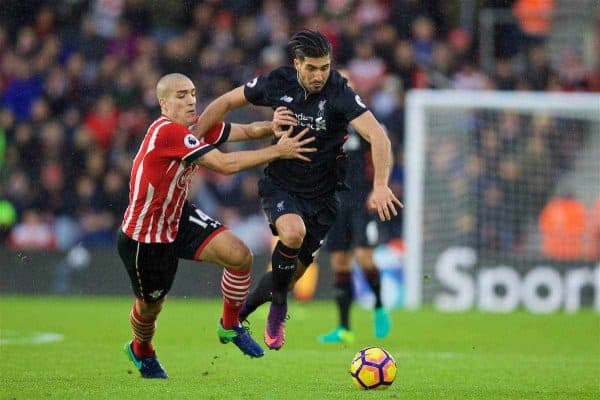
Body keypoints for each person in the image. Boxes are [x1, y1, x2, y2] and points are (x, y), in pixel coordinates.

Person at [194, 30, 402, 351]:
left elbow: (380, 137)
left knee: (287, 277)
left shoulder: (340, 92)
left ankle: (235, 319)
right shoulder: (277, 82)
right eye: (312, 68)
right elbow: (224, 102)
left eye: (325, 68)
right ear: (297, 64)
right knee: (291, 234)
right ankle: (278, 309)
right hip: (282, 185)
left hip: (324, 197)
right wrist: (192, 139)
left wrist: (380, 185)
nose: (320, 76)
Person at [118, 73, 315, 379]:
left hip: (178, 217)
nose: (191, 100)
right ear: (163, 103)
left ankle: (229, 325)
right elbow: (225, 165)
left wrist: (272, 126)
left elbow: (246, 130)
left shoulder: (193, 129)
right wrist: (279, 150)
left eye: (193, 93)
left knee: (240, 256)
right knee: (150, 308)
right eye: (181, 95)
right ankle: (141, 348)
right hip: (146, 236)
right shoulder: (168, 132)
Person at [318, 69, 391, 345]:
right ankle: (344, 328)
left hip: (361, 200)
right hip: (333, 203)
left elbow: (383, 150)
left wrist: (379, 187)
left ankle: (380, 305)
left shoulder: (364, 120)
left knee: (364, 257)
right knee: (339, 262)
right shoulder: (321, 121)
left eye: (346, 82)